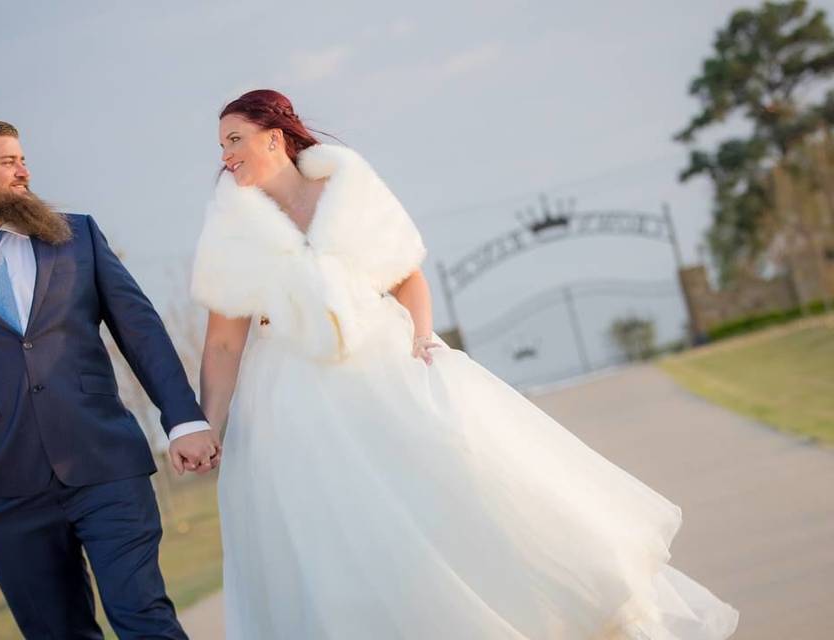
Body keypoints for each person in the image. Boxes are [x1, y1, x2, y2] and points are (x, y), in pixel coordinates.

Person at [190, 90, 740, 639]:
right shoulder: (231, 229)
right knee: (342, 545)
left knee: (459, 499)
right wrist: (207, 427)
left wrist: (422, 340)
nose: (226, 155)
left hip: (383, 370)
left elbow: (407, 276)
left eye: (234, 140)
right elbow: (222, 347)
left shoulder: (345, 189)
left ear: (274, 138)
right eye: (221, 146)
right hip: (292, 406)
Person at [0, 119, 221, 638]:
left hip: (106, 464)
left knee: (143, 617)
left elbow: (141, 330)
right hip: (4, 493)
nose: (25, 171)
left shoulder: (77, 236)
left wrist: (183, 419)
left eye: (22, 158)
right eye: (9, 161)